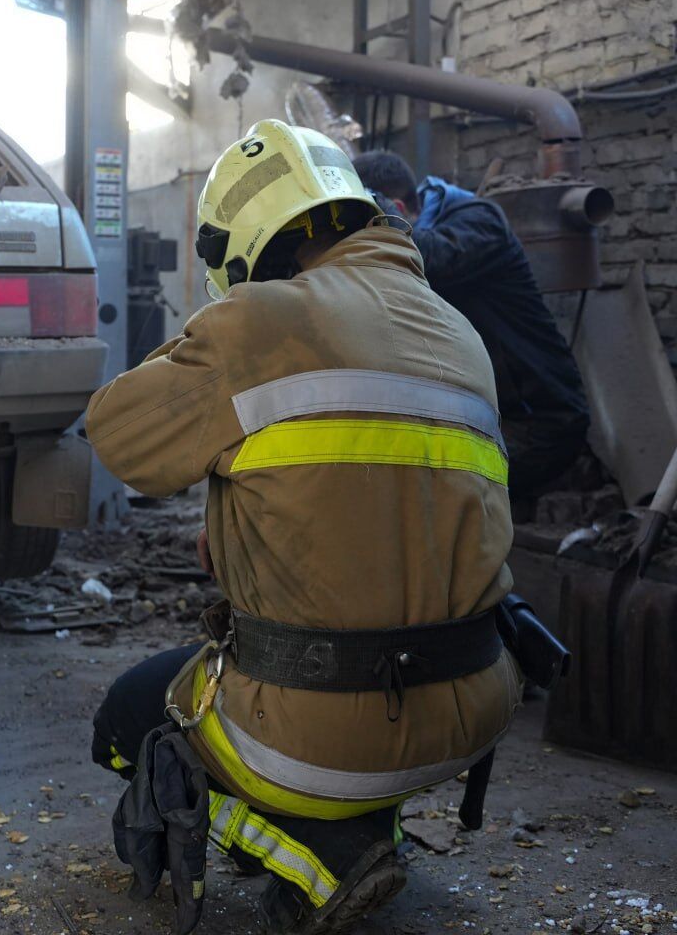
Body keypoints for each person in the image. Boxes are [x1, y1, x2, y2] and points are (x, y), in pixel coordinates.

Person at [86, 120, 525, 934]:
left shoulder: (258, 321)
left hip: (323, 724)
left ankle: (316, 853)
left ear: (242, 245)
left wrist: (201, 339)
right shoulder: (457, 331)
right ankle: (369, 817)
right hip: (474, 707)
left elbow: (116, 435)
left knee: (127, 721)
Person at [351, 149, 589, 500]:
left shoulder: (481, 221)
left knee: (406, 493)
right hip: (475, 419)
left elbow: (426, 258)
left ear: (398, 209)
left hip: (538, 423)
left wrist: (371, 209)